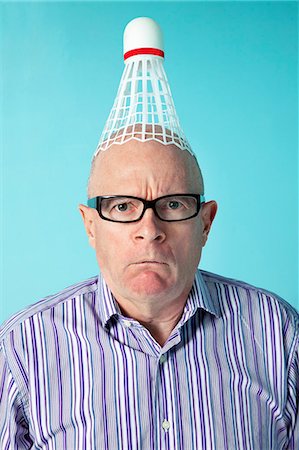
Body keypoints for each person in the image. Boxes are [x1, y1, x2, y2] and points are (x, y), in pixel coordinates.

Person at [0, 135, 298, 449]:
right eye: (123, 206)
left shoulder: (278, 333)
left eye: (173, 204)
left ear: (206, 223)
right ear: (90, 226)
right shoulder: (23, 348)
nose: (150, 230)